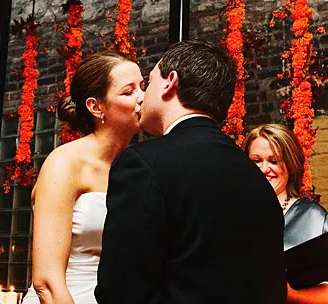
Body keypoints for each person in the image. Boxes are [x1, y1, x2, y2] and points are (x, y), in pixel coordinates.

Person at [95, 40, 287, 303]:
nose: (142, 96)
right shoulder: (257, 178)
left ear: (170, 82)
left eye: (149, 82)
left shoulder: (143, 164)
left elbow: (120, 290)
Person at [20, 51, 144, 304]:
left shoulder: (138, 167)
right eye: (128, 92)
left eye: (143, 86)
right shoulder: (65, 163)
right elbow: (47, 281)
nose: (143, 97)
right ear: (96, 106)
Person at [243, 123, 328, 303]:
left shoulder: (313, 218)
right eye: (256, 161)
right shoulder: (229, 213)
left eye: (274, 161)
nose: (264, 169)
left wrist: (290, 295)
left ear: (290, 165)